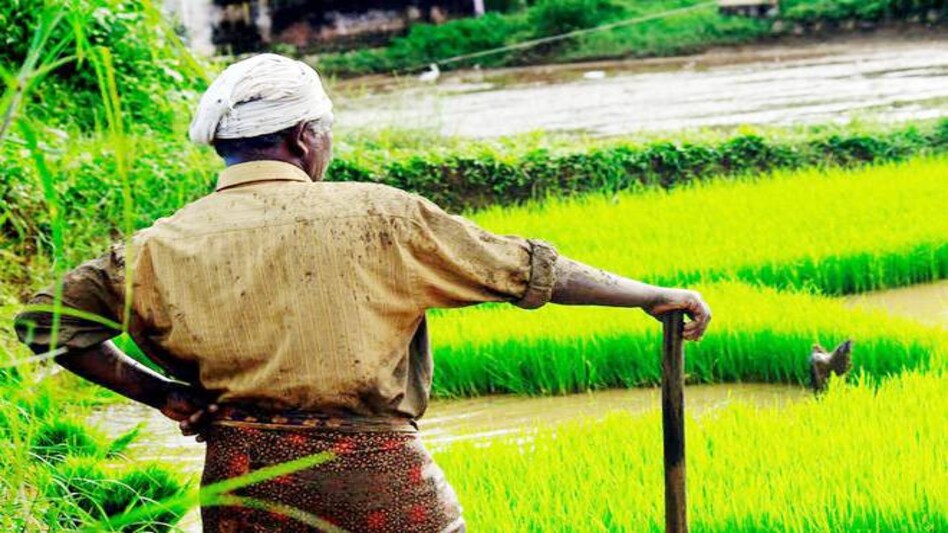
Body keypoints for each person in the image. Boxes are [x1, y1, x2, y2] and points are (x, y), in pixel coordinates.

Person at [14, 54, 710, 532]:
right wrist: (652, 294)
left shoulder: (158, 245)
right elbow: (527, 269)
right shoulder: (382, 215)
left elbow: (42, 321)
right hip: (376, 482)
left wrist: (162, 393)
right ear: (304, 137)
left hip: (244, 490)